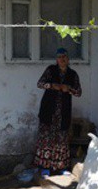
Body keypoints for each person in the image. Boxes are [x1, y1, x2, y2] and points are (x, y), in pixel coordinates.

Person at [34, 48, 82, 177]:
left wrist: (69, 89)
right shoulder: (50, 70)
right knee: (46, 139)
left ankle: (61, 167)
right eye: (60, 57)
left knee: (62, 139)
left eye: (64, 57)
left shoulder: (73, 74)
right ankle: (45, 168)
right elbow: (40, 84)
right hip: (48, 111)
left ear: (68, 59)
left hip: (63, 112)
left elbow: (79, 92)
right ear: (56, 59)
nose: (62, 59)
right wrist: (52, 85)